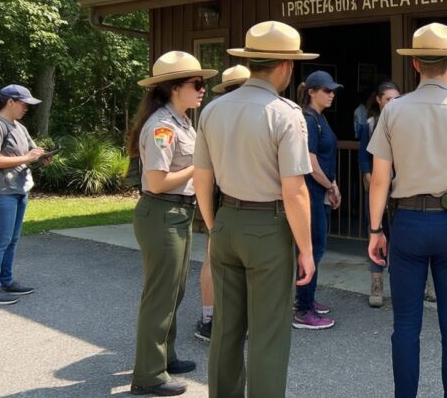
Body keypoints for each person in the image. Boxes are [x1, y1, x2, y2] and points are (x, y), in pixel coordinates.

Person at [367, 22, 447, 398]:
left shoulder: (394, 111)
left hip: (407, 221)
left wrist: (376, 230)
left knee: (406, 324)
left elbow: (379, 179)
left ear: (415, 66)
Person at [192, 20, 316, 398]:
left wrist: (216, 225)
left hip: (227, 218)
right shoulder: (285, 113)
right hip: (269, 224)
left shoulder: (214, 109)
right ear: (284, 66)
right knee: (268, 331)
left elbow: (201, 178)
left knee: (227, 329)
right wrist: (306, 249)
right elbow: (295, 192)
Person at [127, 52, 216, 396]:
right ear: (174, 88)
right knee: (160, 295)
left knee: (173, 291)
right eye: (197, 84)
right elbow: (157, 181)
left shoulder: (181, 121)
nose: (202, 90)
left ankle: (165, 356)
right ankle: (148, 374)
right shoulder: (163, 126)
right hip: (162, 211)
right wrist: (200, 164)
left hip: (176, 213)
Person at [195, 64, 250, 343]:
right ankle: (236, 317)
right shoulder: (256, 112)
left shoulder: (212, 112)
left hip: (215, 191)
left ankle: (209, 317)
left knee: (212, 255)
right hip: (239, 194)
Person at [0, 85, 44, 306]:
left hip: (18, 189)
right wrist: (28, 158)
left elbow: (29, 152)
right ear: (10, 102)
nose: (26, 108)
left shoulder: (19, 126)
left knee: (12, 240)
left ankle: (6, 281)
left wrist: (41, 156)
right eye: (24, 103)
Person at [292, 69, 342, 330]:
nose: (331, 95)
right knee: (312, 249)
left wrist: (330, 186)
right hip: (311, 192)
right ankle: (303, 309)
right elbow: (310, 163)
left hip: (317, 191)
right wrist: (331, 185)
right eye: (326, 90)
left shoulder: (317, 117)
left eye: (333, 90)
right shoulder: (309, 119)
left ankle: (306, 299)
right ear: (311, 92)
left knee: (314, 248)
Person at [357, 80, 401, 307]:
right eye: (388, 99)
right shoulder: (370, 124)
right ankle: (377, 284)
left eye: (397, 99)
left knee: (404, 237)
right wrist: (367, 175)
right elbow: (363, 155)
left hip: (401, 189)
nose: (393, 103)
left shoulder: (406, 122)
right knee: (376, 233)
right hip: (378, 189)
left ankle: (420, 284)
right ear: (379, 100)